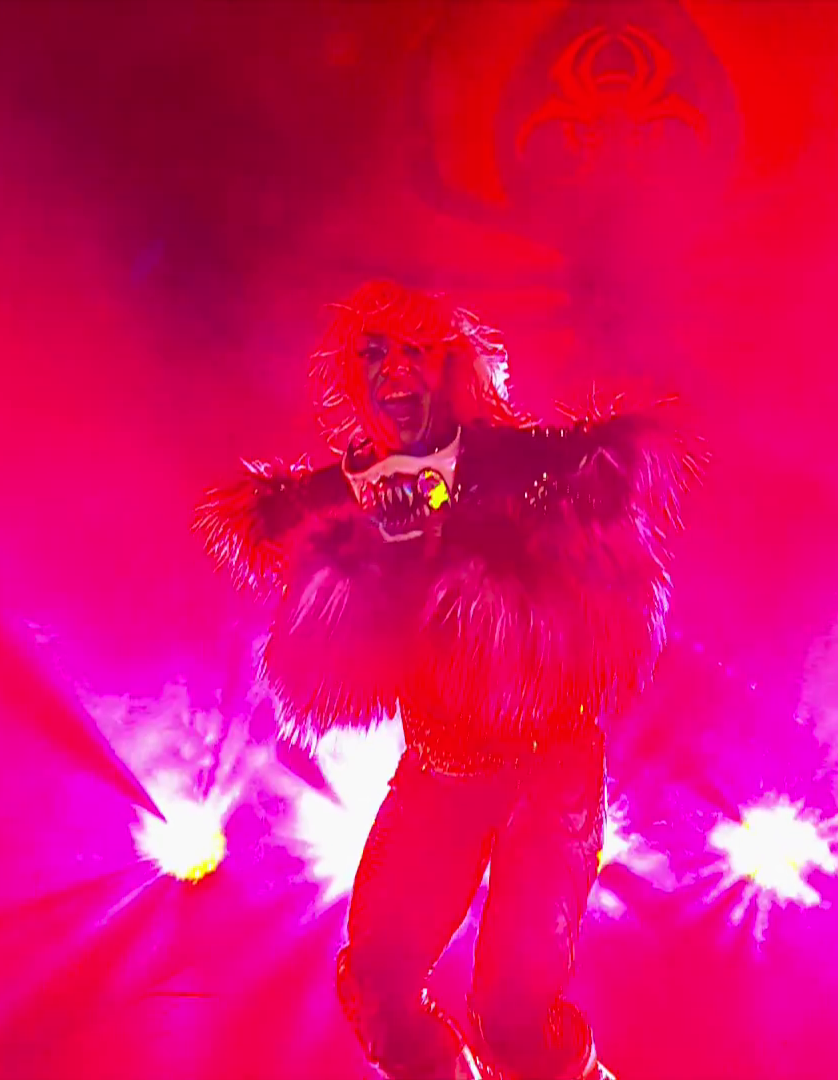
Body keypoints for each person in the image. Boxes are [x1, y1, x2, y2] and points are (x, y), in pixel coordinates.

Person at [194, 281, 702, 1080]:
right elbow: (322, 654)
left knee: (512, 1022)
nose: (394, 369)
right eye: (374, 353)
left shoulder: (525, 465)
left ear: (452, 367)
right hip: (439, 771)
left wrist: (486, 548)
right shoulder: (348, 495)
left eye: (415, 351)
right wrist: (361, 559)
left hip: (547, 772)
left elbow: (612, 554)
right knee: (378, 984)